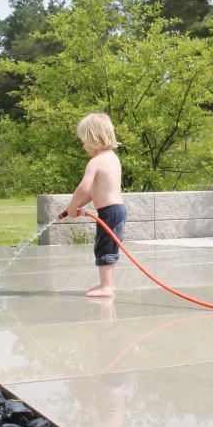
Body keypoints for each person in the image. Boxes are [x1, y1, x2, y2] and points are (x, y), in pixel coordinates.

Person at [66, 112, 126, 297]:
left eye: (84, 140)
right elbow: (95, 193)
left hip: (108, 212)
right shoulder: (113, 159)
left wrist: (72, 205)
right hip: (119, 210)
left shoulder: (96, 162)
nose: (83, 145)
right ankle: (109, 285)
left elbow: (84, 188)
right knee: (111, 247)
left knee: (104, 248)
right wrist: (79, 206)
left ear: (92, 139)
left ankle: (106, 287)